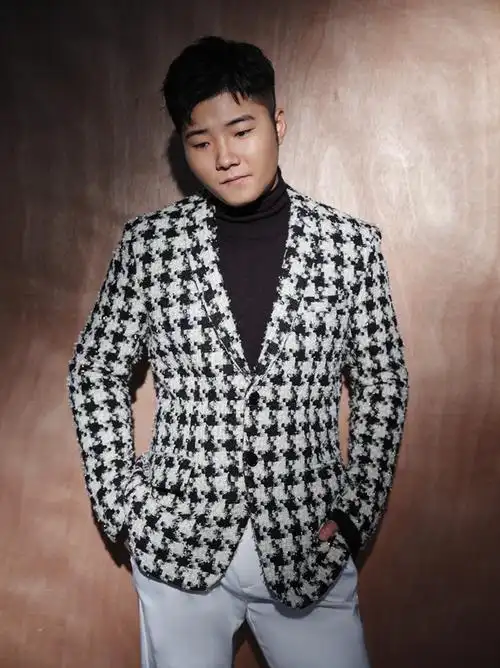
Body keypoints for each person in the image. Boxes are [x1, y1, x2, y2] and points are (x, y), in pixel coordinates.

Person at [68, 35, 409, 668]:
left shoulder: (349, 247)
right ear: (183, 146)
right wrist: (124, 505)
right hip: (177, 547)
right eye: (200, 142)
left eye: (242, 130)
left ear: (277, 123)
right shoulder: (150, 247)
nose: (224, 157)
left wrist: (355, 514)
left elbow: (383, 381)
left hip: (309, 549)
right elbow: (96, 371)